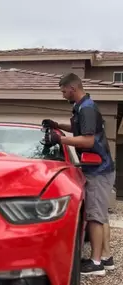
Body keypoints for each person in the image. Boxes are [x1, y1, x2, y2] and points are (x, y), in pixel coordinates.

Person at [42, 73, 115, 277]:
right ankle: (106, 258)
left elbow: (89, 141)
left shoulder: (87, 108)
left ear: (72, 88)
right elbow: (77, 129)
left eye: (64, 91)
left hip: (99, 170)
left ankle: (96, 263)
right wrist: (58, 126)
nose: (63, 94)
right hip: (99, 168)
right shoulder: (82, 107)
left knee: (95, 216)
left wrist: (59, 140)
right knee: (100, 215)